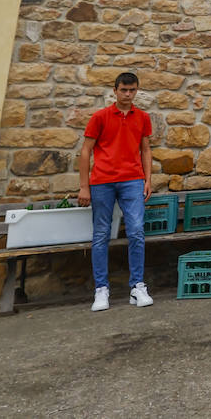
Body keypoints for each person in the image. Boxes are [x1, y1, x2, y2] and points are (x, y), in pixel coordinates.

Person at [77, 71, 154, 312]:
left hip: (133, 180)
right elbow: (85, 151)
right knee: (101, 234)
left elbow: (146, 150)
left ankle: (137, 286)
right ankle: (101, 289)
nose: (128, 94)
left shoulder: (142, 117)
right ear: (115, 90)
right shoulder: (99, 117)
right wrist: (83, 186)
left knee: (136, 232)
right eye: (124, 90)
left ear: (136, 91)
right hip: (102, 182)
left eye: (132, 90)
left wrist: (148, 179)